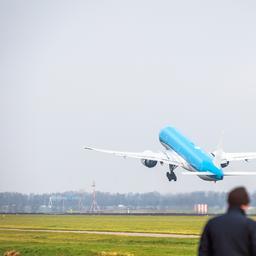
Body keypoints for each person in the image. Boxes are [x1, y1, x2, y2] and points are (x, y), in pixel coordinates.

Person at [199, 187, 256, 256]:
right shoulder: (251, 225)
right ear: (246, 205)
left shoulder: (212, 223)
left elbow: (204, 251)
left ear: (228, 203)